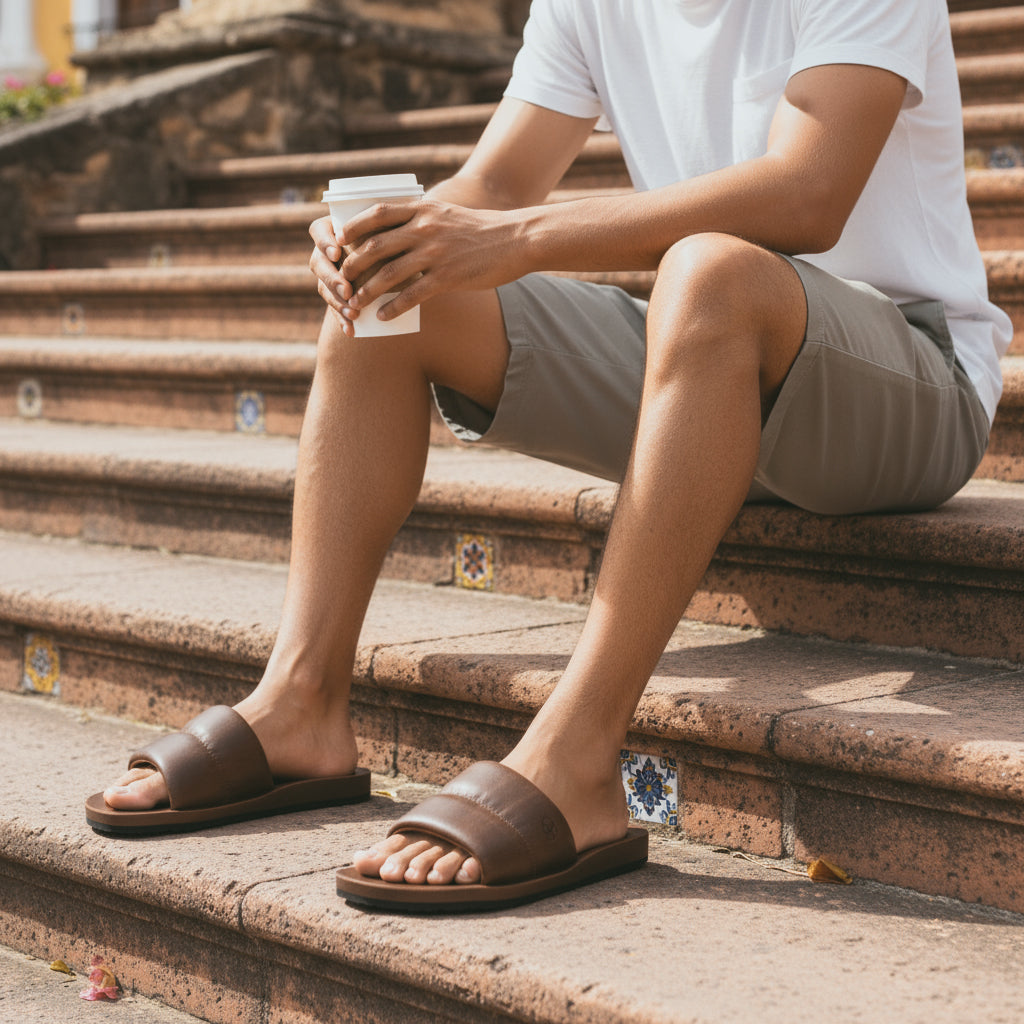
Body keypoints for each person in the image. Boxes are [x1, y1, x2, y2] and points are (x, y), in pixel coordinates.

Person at [86, 0, 1010, 911]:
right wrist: (377, 242)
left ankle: (576, 758)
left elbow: (807, 193)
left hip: (908, 385)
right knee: (388, 296)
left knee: (712, 268)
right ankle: (299, 703)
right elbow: (494, 186)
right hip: (714, 362)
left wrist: (516, 240)